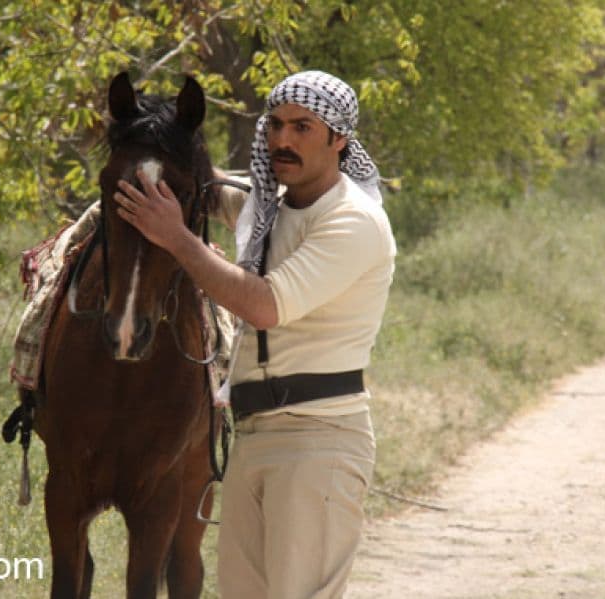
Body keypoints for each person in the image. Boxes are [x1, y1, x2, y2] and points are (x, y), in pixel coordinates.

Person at [114, 70, 396, 599]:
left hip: (320, 439)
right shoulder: (270, 206)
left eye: (302, 127)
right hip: (256, 433)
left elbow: (263, 305)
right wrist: (160, 149)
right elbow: (203, 186)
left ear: (339, 139)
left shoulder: (353, 221)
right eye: (276, 125)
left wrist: (176, 238)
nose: (283, 140)